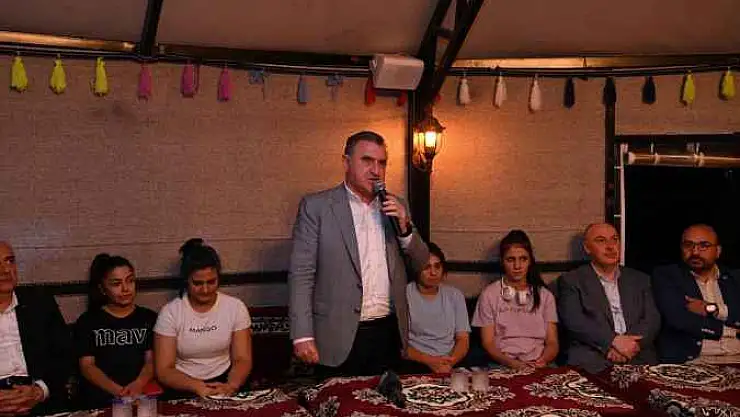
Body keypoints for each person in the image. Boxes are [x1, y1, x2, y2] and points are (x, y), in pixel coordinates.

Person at [289, 131, 429, 377]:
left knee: (385, 399)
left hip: (388, 332)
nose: (376, 170)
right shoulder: (317, 207)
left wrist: (405, 228)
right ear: (346, 163)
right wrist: (302, 334)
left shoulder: (396, 206)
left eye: (382, 163)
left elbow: (420, 263)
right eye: (367, 161)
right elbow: (301, 274)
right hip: (337, 335)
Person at [154, 239, 252, 398]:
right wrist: (196, 386)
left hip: (226, 380)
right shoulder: (170, 312)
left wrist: (231, 385)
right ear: (187, 280)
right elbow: (164, 370)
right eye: (198, 283)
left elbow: (242, 358)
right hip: (183, 384)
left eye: (211, 282)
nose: (205, 290)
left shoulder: (235, 307)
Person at [557, 223, 660, 373]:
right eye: (601, 240)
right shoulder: (572, 280)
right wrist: (613, 341)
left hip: (638, 355)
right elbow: (575, 321)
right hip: (593, 356)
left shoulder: (641, 279)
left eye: (615, 239)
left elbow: (652, 320)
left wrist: (630, 346)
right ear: (587, 248)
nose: (610, 246)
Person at [73, 254, 158, 409]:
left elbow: (151, 361)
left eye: (130, 281)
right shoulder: (88, 321)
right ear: (102, 289)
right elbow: (87, 366)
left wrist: (138, 384)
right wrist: (119, 392)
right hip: (100, 399)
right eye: (116, 284)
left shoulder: (149, 318)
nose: (125, 289)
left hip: (141, 396)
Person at [0, 241, 72, 415]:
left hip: (39, 401)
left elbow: (66, 356)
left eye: (10, 261)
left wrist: (40, 390)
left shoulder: (40, 304)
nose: (5, 270)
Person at [652, 224, 740, 364]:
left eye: (704, 245)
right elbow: (678, 319)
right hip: (693, 362)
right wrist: (731, 331)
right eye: (688, 245)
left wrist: (713, 309)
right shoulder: (667, 276)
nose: (695, 252)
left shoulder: (735, 278)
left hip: (736, 359)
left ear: (718, 251)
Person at [472, 230, 558, 369]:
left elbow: (552, 342)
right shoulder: (489, 295)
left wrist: (543, 360)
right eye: (511, 260)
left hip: (539, 362)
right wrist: (511, 363)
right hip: (503, 363)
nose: (517, 266)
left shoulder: (545, 296)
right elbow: (488, 343)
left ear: (530, 261)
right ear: (502, 261)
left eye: (523, 259)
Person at [404, 243, 469, 374]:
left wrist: (450, 362)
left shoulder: (454, 295)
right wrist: (430, 361)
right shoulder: (404, 294)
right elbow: (400, 346)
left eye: (437, 266)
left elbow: (463, 339)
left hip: (450, 362)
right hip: (417, 363)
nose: (433, 272)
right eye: (426, 267)